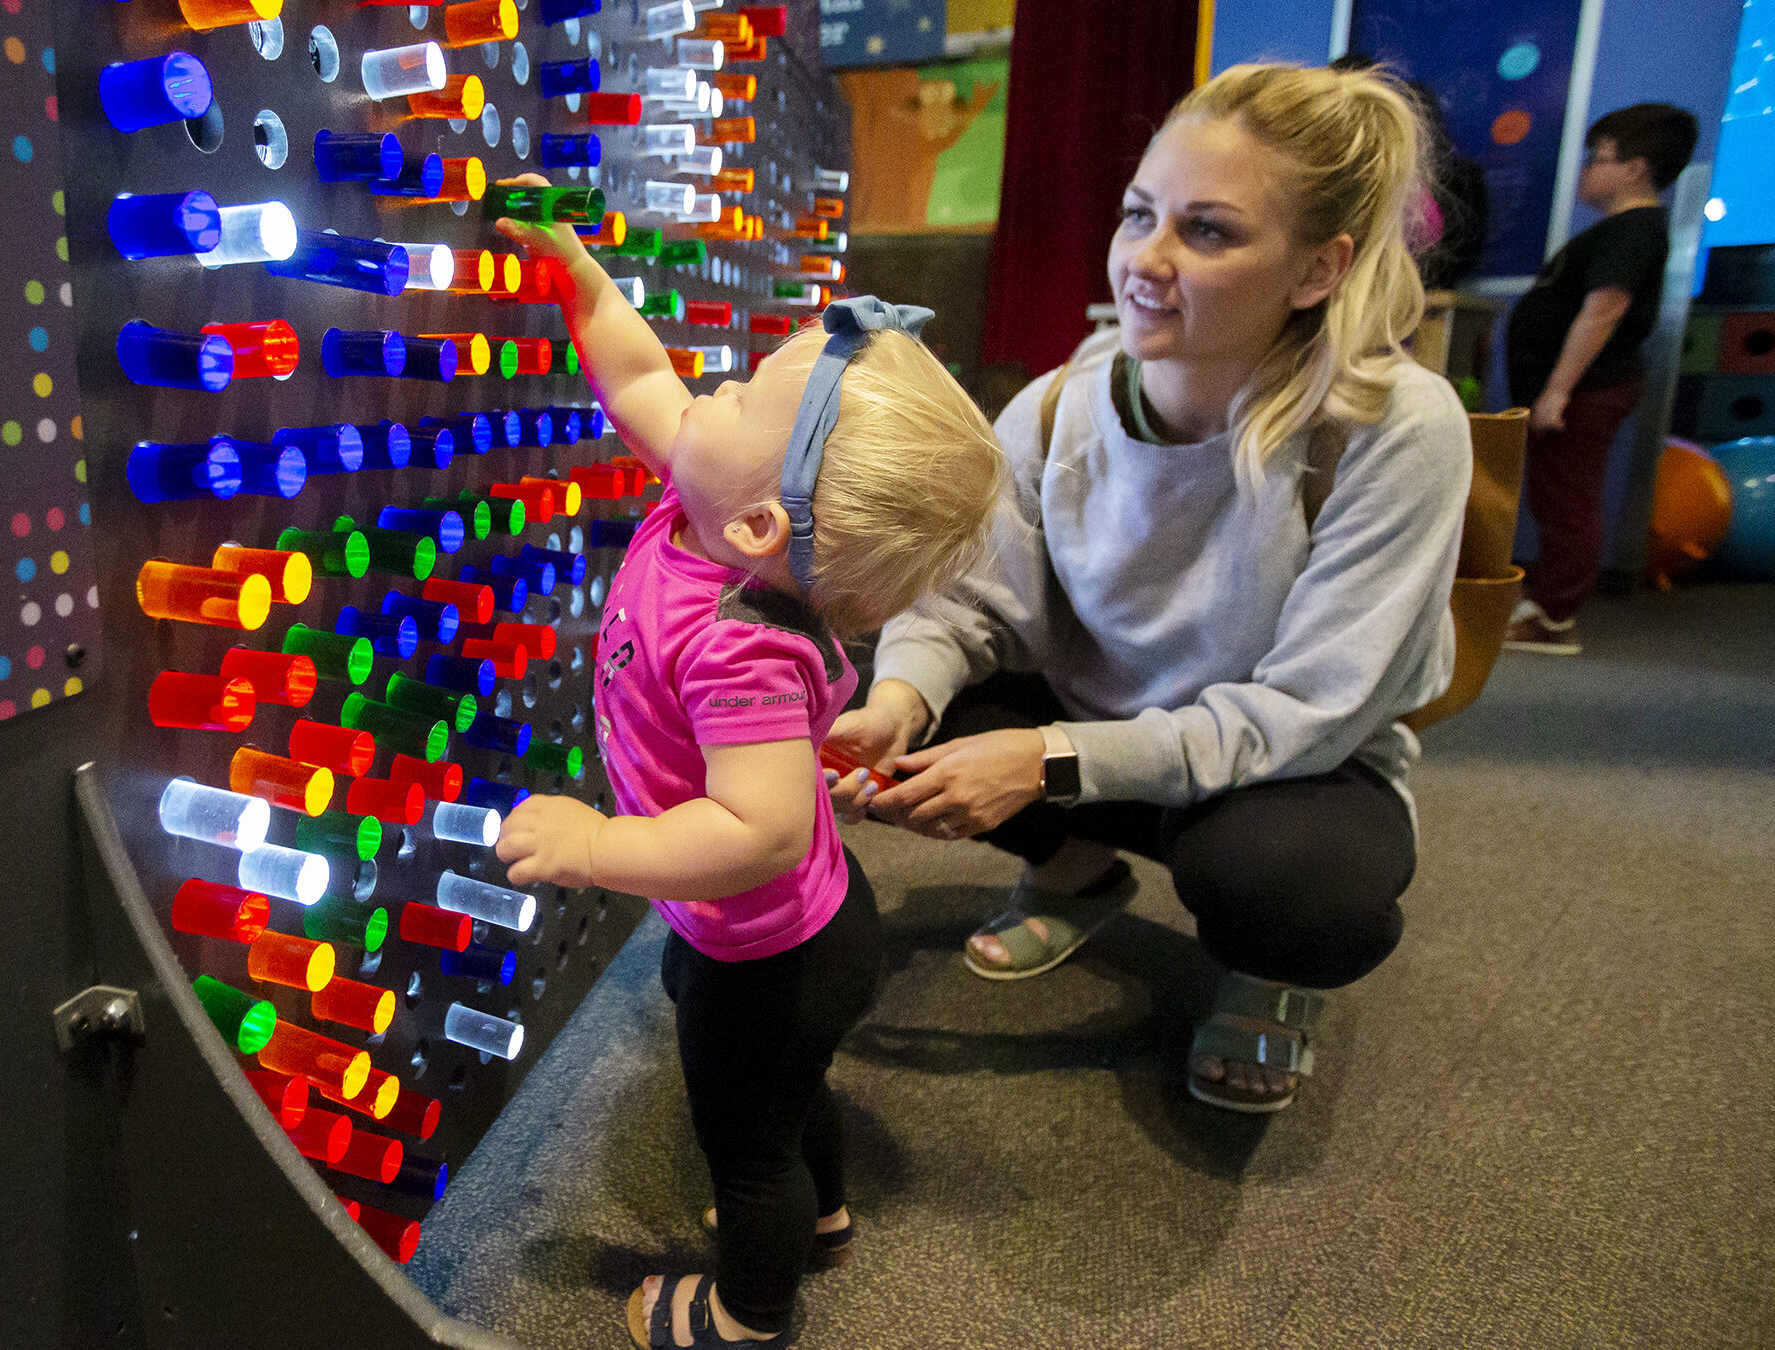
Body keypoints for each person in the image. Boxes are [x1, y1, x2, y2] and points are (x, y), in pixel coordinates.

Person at [826, 62, 1471, 1115]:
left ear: (1318, 269)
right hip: (1103, 745)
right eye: (1140, 215)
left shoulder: (1394, 428)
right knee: (910, 695)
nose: (1146, 260)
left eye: (1208, 232)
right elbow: (961, 606)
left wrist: (1045, 759)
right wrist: (898, 702)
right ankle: (1080, 873)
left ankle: (1273, 972)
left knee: (1300, 888)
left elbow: (1308, 712)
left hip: (1284, 775)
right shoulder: (1053, 409)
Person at [487, 175, 1007, 1347]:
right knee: (785, 1089)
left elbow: (759, 831)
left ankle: (747, 1311)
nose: (709, 384)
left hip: (777, 948)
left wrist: (596, 845)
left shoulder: (740, 647)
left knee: (746, 1134)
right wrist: (576, 272)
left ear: (767, 523)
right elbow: (639, 378)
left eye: (739, 391)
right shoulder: (711, 505)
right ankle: (824, 1217)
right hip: (776, 929)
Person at [1502, 103, 1699, 655]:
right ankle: (1546, 601)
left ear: (1635, 168)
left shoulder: (1634, 230)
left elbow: (1605, 307)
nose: (1587, 170)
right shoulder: (1620, 231)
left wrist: (1559, 389)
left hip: (1586, 390)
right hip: (1577, 388)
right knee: (1555, 495)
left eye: (1600, 158)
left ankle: (1553, 618)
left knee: (1568, 500)